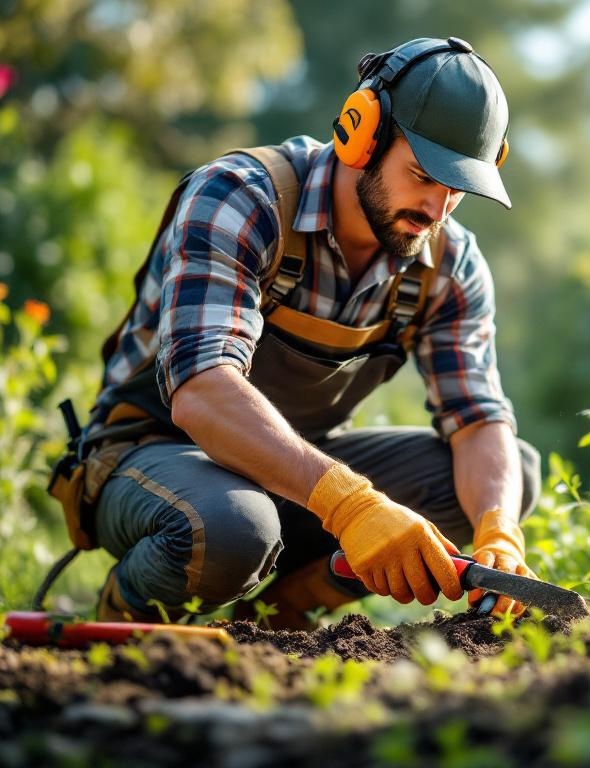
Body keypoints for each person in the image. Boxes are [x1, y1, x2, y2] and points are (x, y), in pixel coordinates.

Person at [76, 37, 540, 630]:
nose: (439, 206)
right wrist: (351, 505)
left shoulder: (450, 262)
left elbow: (478, 418)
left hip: (297, 471)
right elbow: (201, 389)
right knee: (232, 528)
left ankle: (277, 622)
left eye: (458, 188)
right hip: (150, 456)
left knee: (509, 476)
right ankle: (116, 630)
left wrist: (499, 529)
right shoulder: (241, 197)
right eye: (423, 174)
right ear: (361, 135)